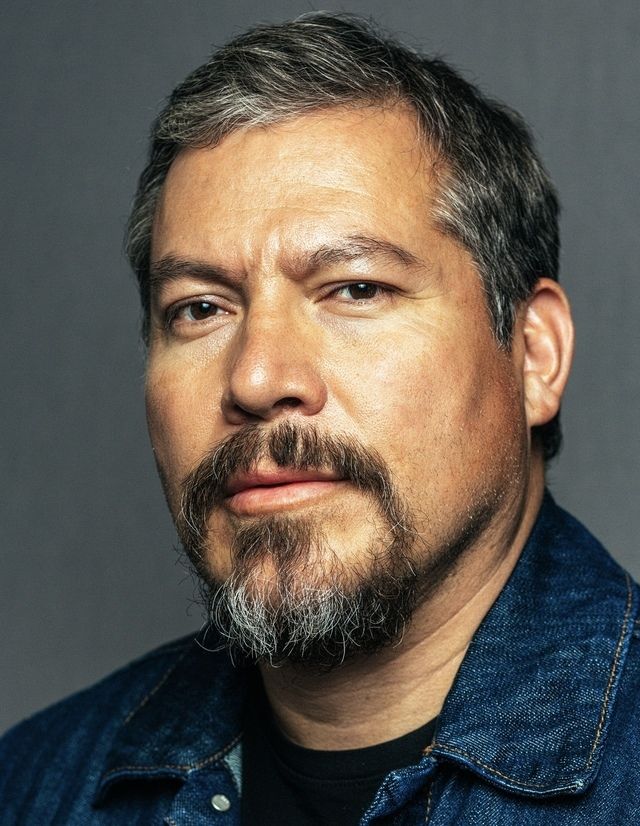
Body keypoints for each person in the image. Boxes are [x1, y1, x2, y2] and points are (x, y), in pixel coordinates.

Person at [1, 12, 638, 825]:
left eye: (355, 290)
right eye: (200, 309)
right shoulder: (30, 788)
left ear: (534, 355)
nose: (257, 379)